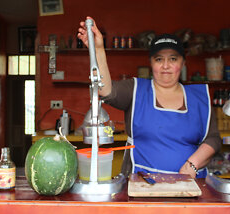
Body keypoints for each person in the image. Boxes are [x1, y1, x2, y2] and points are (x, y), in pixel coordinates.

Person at [77, 17, 221, 178]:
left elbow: (213, 138)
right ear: (151, 63)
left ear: (183, 63)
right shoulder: (136, 90)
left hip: (192, 185)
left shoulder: (199, 97)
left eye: (173, 59)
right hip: (142, 185)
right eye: (159, 59)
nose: (165, 65)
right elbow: (105, 90)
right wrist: (98, 50)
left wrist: (192, 164)